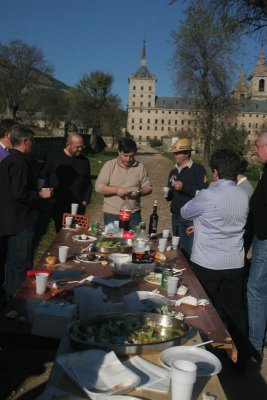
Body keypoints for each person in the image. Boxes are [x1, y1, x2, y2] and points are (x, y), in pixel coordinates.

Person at [181, 149, 249, 367]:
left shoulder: (208, 195)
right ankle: (240, 359)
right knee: (235, 310)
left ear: (216, 173)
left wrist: (205, 193)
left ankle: (207, 356)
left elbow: (185, 212)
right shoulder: (243, 194)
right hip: (234, 262)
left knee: (204, 310)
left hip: (208, 262)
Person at [0, 125, 53, 300]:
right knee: (20, 265)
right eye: (33, 141)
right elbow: (20, 194)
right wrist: (41, 194)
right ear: (25, 141)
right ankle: (16, 303)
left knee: (12, 264)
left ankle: (10, 298)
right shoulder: (20, 162)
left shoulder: (7, 160)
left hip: (8, 220)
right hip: (20, 222)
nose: (34, 144)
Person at [95, 138, 152, 230]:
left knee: (133, 241)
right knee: (113, 242)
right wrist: (116, 190)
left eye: (131, 156)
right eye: (125, 155)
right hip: (112, 214)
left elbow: (148, 187)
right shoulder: (110, 165)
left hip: (133, 214)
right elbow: (98, 187)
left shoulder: (140, 167)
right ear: (119, 152)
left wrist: (140, 192)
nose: (128, 159)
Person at [41, 132, 93, 232]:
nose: (80, 149)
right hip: (58, 203)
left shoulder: (84, 161)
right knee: (62, 234)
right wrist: (47, 195)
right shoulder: (54, 157)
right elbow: (43, 177)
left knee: (77, 234)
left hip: (78, 204)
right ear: (68, 145)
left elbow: (88, 182)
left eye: (82, 146)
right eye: (77, 147)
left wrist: (86, 200)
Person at [165, 138, 208, 259]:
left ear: (187, 153)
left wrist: (184, 187)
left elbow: (203, 194)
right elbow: (170, 196)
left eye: (178, 153)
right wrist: (168, 194)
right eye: (174, 152)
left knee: (191, 251)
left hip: (191, 219)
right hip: (176, 217)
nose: (175, 155)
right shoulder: (173, 171)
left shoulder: (198, 170)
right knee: (178, 250)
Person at [246, 132, 267, 361]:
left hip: (265, 237)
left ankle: (254, 344)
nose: (256, 150)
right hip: (262, 236)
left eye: (258, 146)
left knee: (255, 289)